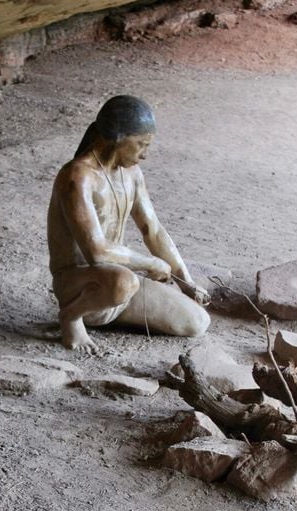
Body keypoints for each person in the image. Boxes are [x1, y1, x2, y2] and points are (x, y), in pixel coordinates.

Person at [46, 95, 210, 353]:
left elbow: (152, 230)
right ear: (117, 137)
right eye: (141, 144)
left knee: (198, 322)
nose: (145, 154)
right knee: (124, 281)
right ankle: (72, 317)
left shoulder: (131, 174)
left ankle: (119, 308)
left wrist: (185, 281)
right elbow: (96, 252)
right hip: (82, 285)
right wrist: (151, 263)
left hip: (120, 283)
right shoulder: (77, 177)